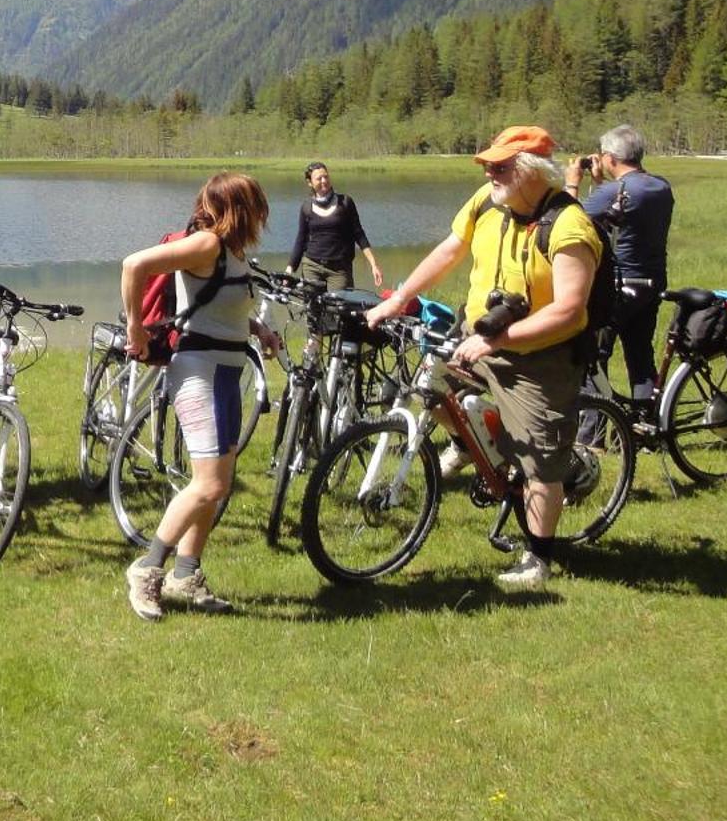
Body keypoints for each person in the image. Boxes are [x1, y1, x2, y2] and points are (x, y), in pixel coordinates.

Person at [366, 126, 597, 590]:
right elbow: (450, 250)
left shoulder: (569, 225)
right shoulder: (487, 202)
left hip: (540, 356)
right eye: (488, 165)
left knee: (540, 462)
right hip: (479, 337)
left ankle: (538, 558)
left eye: (501, 166)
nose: (490, 172)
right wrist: (400, 298)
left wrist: (499, 340)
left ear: (530, 172)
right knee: (434, 393)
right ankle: (476, 448)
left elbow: (570, 309)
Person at [121, 173, 279, 619]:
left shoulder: (230, 252)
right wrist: (135, 327)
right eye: (257, 205)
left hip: (225, 371)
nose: (263, 214)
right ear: (240, 207)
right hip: (199, 372)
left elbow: (215, 306)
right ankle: (147, 569)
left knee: (218, 485)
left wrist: (259, 328)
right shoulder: (207, 245)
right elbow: (134, 266)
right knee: (207, 483)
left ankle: (186, 575)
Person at [567, 125, 674, 411]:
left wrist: (573, 182)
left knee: (594, 358)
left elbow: (568, 224)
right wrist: (602, 183)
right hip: (651, 283)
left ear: (610, 158)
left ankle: (594, 435)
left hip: (619, 288)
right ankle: (646, 422)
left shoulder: (617, 191)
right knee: (640, 355)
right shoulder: (661, 186)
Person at [287, 161, 384, 292]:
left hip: (339, 270)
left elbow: (359, 235)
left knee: (337, 309)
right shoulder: (306, 207)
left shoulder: (345, 203)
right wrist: (289, 270)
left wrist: (374, 264)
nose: (323, 181)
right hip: (312, 266)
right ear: (309, 183)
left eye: (326, 176)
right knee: (313, 310)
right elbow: (301, 240)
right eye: (318, 178)